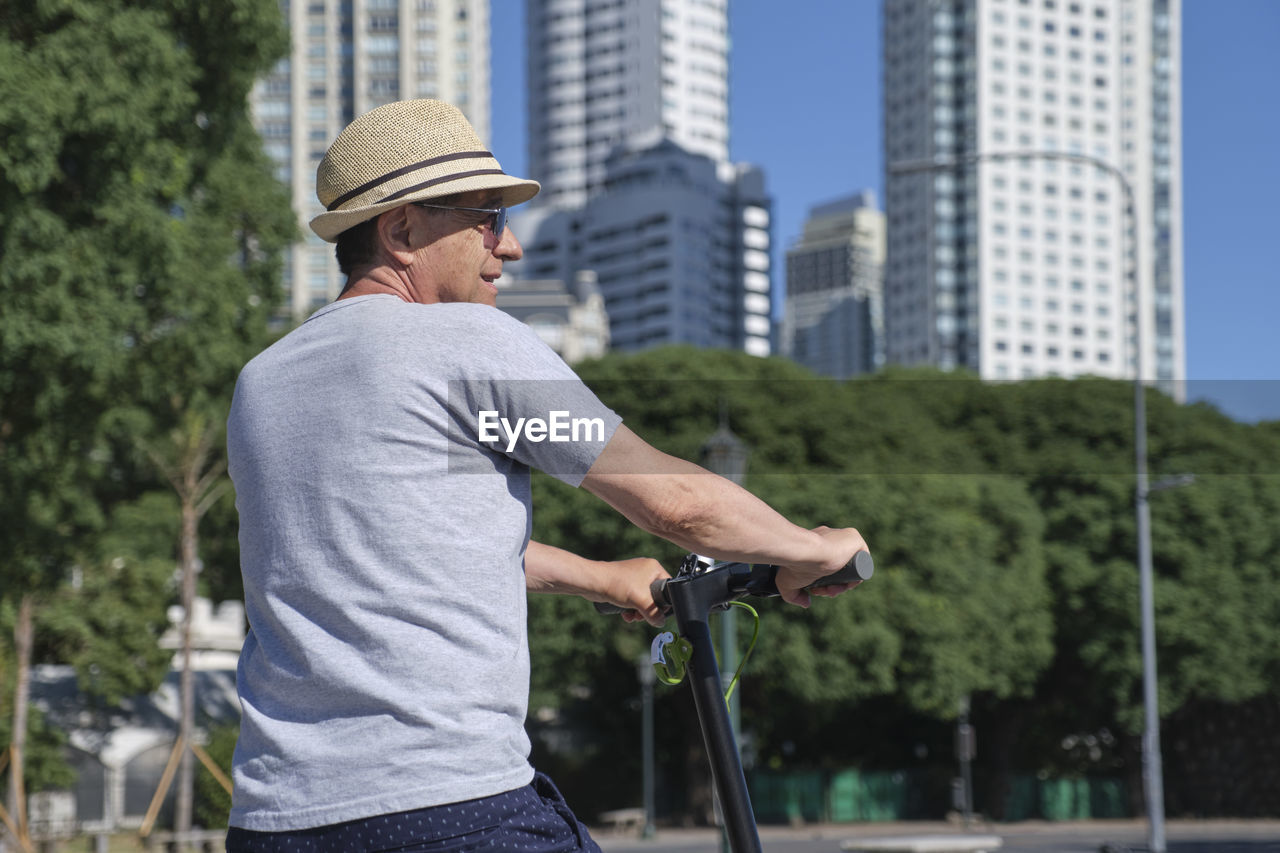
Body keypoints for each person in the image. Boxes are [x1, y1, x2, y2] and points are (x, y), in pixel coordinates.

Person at [224, 99, 868, 852]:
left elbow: (405, 539)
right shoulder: (467, 343)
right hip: (446, 807)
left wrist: (602, 577)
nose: (513, 245)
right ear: (401, 231)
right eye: (487, 218)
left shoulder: (264, 383)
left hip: (277, 820)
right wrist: (811, 548)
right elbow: (674, 502)